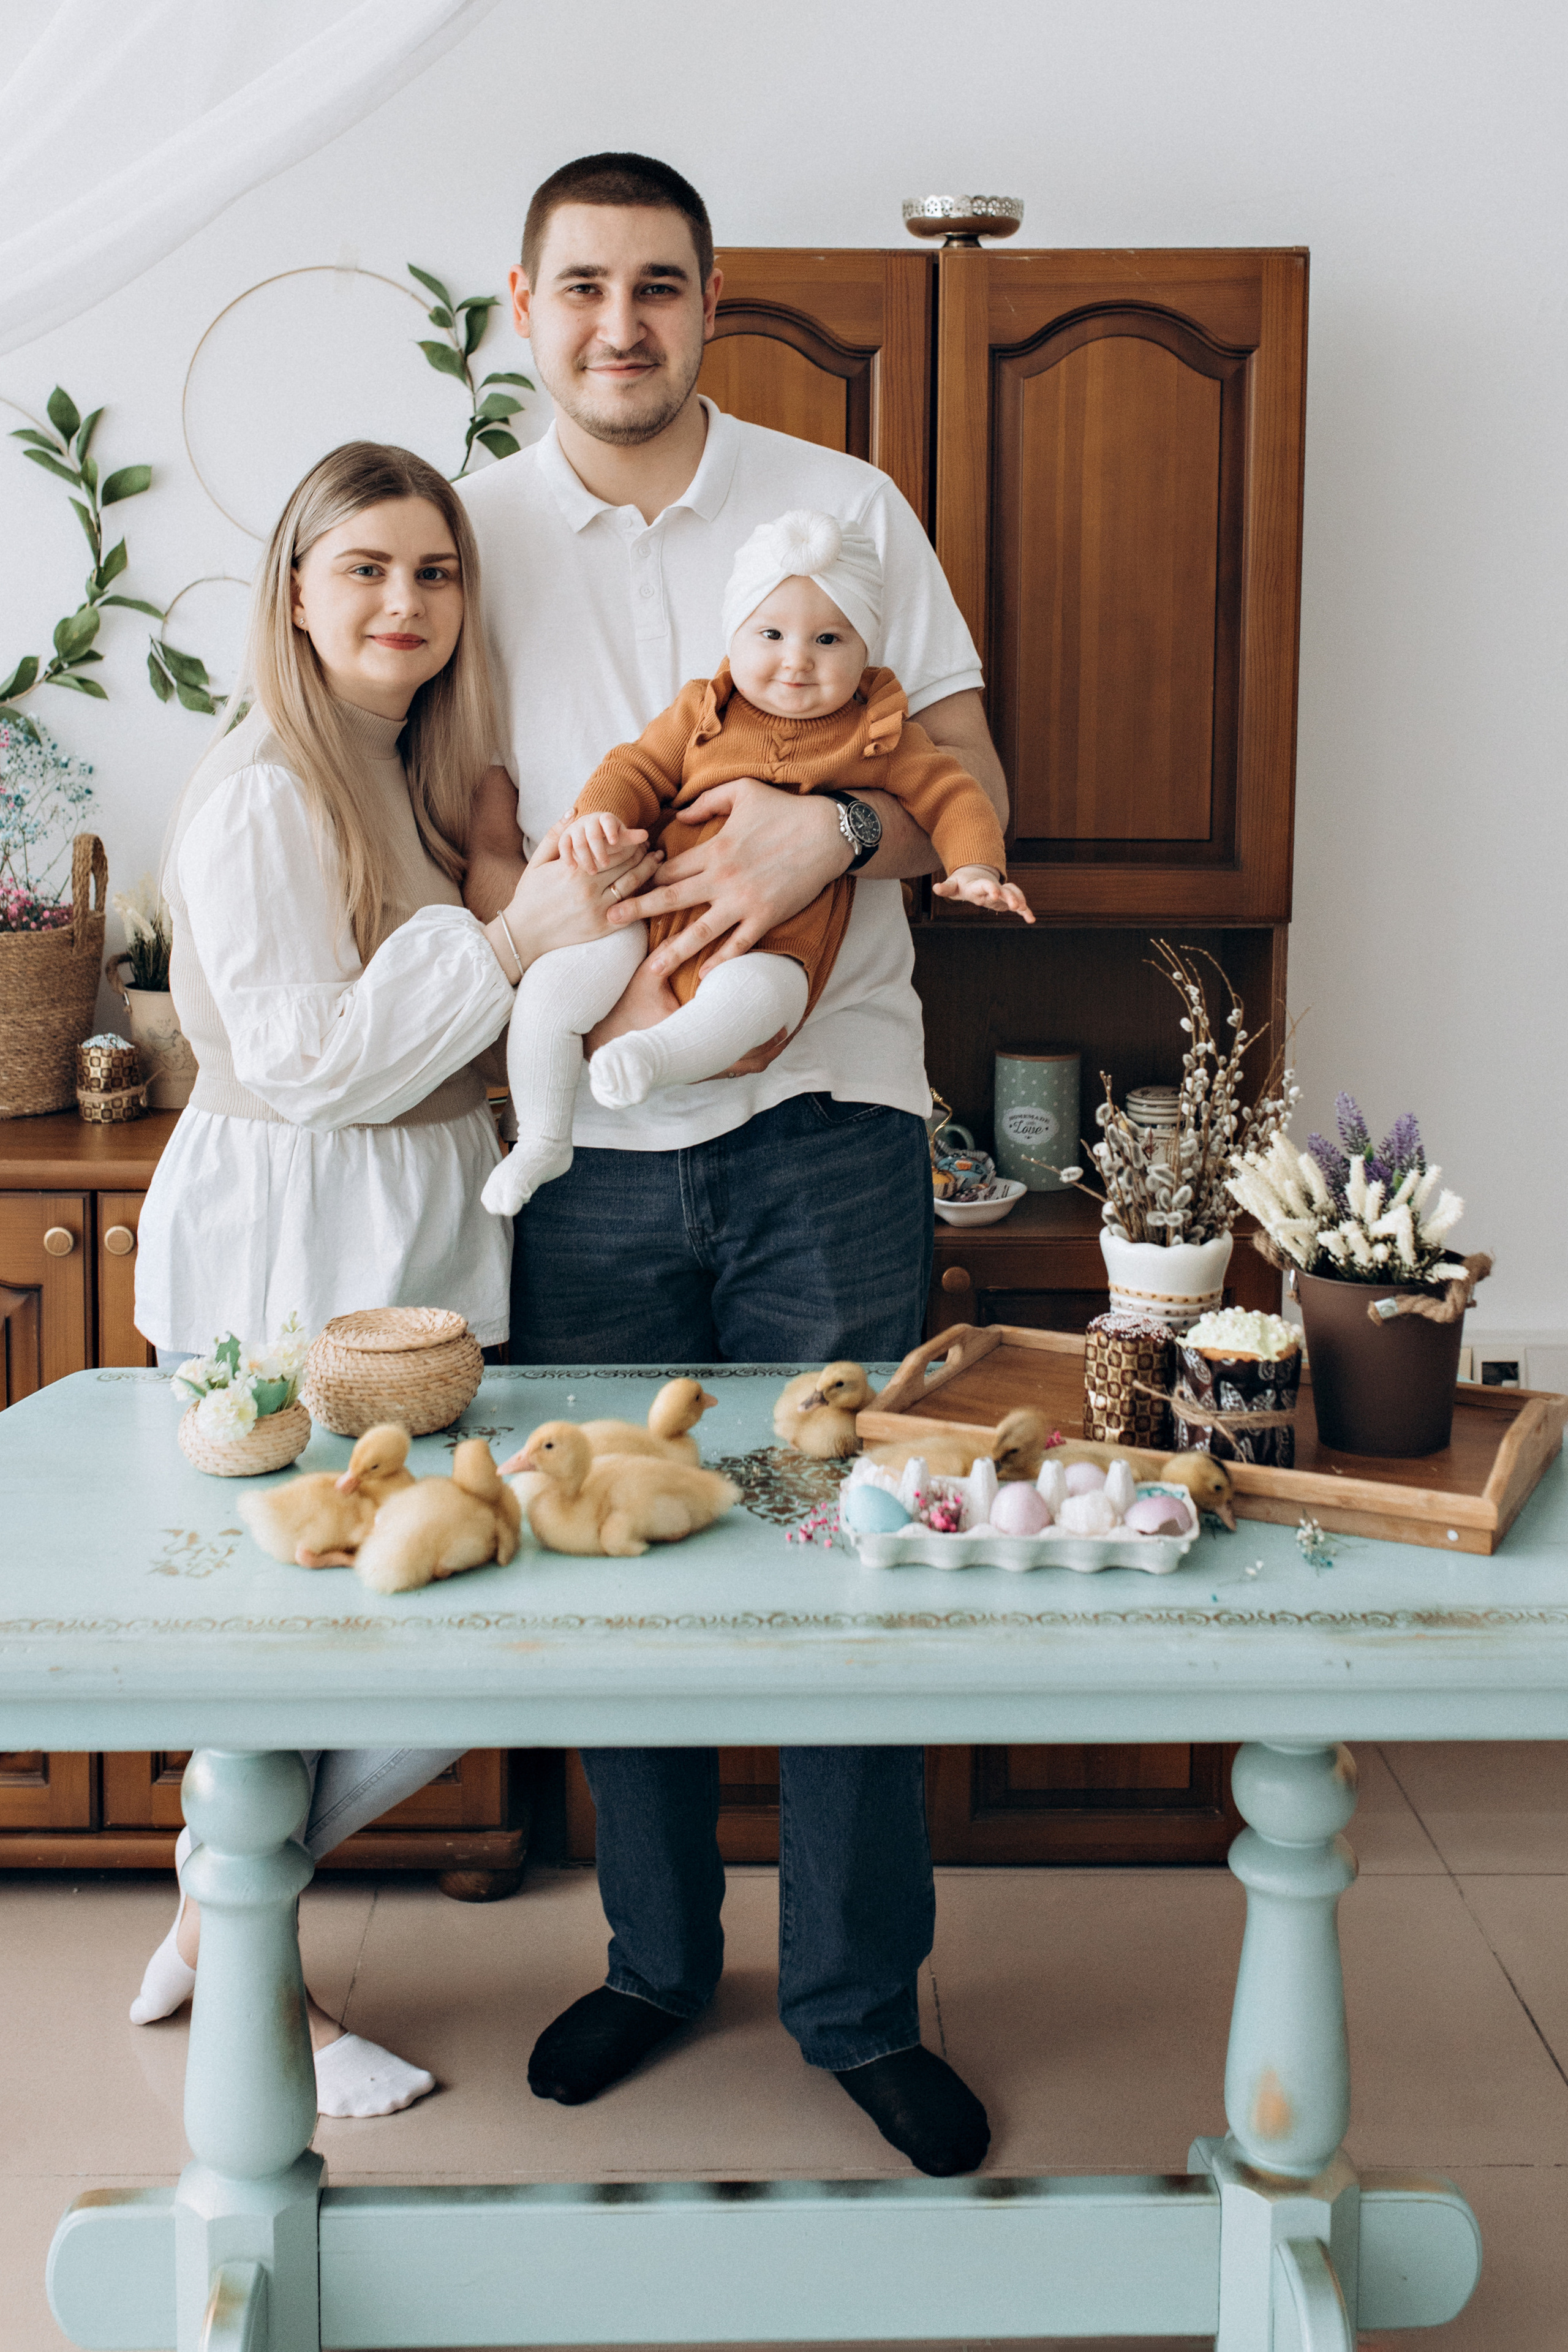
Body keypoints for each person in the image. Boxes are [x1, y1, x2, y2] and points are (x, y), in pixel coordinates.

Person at [458, 154, 1011, 2177]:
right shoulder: (472, 534)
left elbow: (968, 772)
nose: (623, 324)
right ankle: (657, 1962)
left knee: (846, 1551)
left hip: (829, 1113)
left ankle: (857, 2003)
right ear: (525, 304)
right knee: (629, 1561)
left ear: (711, 302)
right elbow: (466, 817)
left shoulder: (844, 503)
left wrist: (836, 833)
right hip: (586, 1139)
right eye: (585, 286)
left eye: (661, 286)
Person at [130, 440, 661, 2116]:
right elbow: (308, 1062)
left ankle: (213, 1909)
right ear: (295, 590)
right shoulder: (267, 790)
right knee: (290, 1648)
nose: (402, 600)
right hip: (292, 1250)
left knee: (429, 1635)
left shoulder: (404, 771)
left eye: (433, 571)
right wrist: (507, 944)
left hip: (409, 1243)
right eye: (364, 566)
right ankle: (250, 1972)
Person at [481, 507, 1030, 1214]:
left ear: (866, 647)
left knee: (754, 1001)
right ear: (734, 635)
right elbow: (634, 768)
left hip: (775, 945)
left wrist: (977, 868)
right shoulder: (701, 710)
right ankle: (543, 1139)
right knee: (551, 991)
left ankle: (656, 1057)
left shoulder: (880, 733)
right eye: (770, 635)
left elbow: (956, 796)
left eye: (829, 639)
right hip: (646, 909)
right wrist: (597, 817)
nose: (796, 660)